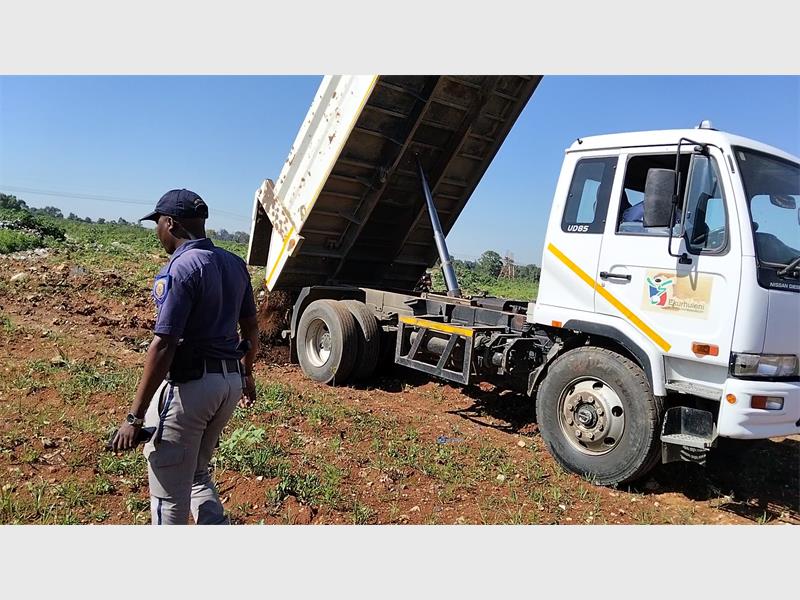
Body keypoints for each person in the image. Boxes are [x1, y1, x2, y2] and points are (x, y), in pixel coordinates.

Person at [111, 188, 259, 525]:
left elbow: (164, 344)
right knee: (196, 475)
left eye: (157, 224)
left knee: (167, 494)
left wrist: (134, 418)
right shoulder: (234, 264)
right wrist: (247, 375)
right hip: (228, 385)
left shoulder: (181, 268)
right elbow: (251, 328)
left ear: (171, 223)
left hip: (192, 388)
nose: (157, 232)